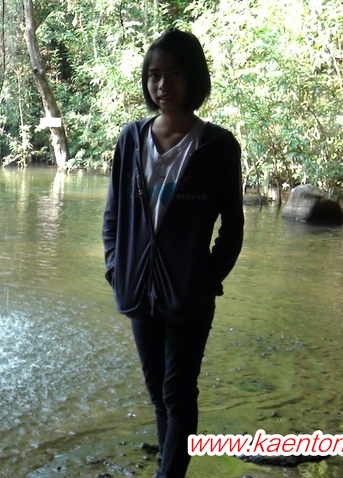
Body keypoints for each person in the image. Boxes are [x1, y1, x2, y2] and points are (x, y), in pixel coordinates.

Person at [102, 28, 244, 478]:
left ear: (194, 77)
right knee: (157, 393)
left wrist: (207, 279)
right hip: (138, 289)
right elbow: (113, 215)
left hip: (188, 294)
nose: (163, 85)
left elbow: (233, 226)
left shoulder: (217, 146)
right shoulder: (132, 139)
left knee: (179, 393)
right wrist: (115, 268)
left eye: (175, 73)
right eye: (154, 75)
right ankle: (168, 463)